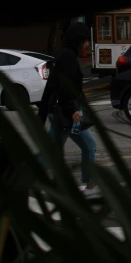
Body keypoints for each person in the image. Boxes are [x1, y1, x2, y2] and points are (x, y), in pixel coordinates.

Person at [38, 22, 99, 197]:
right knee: (86, 146)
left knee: (53, 149)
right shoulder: (68, 58)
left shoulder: (63, 55)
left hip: (64, 111)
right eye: (86, 40)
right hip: (67, 113)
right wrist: (73, 110)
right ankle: (89, 186)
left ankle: (90, 185)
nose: (88, 44)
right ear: (78, 40)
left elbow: (53, 87)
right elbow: (65, 88)